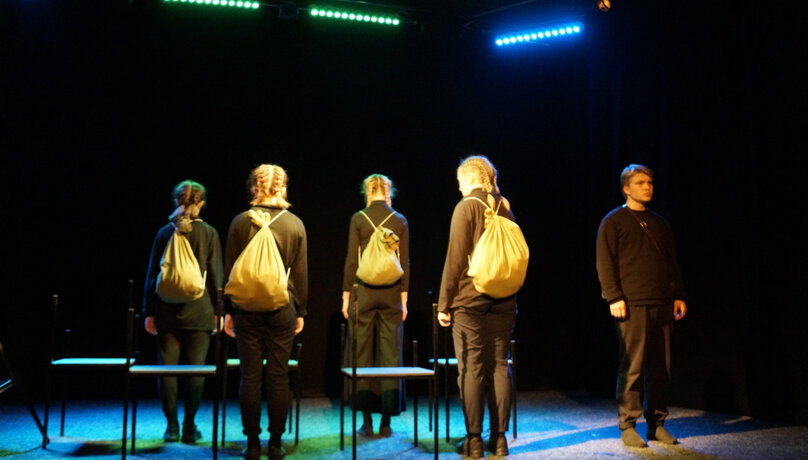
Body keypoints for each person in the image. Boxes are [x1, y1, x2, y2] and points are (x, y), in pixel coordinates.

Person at [595, 164, 687, 448]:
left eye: (650, 182)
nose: (647, 187)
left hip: (661, 302)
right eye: (640, 183)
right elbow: (605, 261)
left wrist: (678, 295)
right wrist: (614, 297)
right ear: (626, 188)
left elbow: (671, 262)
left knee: (661, 367)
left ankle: (657, 424)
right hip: (631, 303)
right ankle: (628, 424)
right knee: (633, 366)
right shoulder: (613, 221)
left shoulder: (660, 223)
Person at [223, 164, 307, 460]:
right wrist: (301, 310)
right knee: (278, 377)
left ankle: (252, 443)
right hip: (283, 308)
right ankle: (275, 443)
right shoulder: (294, 224)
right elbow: (300, 273)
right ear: (283, 187)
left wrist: (227, 310)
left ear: (255, 187)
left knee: (250, 377)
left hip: (245, 309)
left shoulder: (239, 222)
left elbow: (230, 270)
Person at [438, 155, 517, 458]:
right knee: (499, 365)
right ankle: (499, 439)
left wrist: (444, 303)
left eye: (460, 181)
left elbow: (455, 258)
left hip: (469, 299)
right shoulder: (505, 206)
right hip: (504, 297)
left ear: (470, 177)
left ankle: (473, 441)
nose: (459, 188)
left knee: (471, 367)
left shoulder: (466, 206)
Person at [142, 180, 223, 443]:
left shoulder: (164, 233)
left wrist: (148, 311)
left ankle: (172, 427)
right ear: (201, 204)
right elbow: (216, 277)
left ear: (176, 202)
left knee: (167, 370)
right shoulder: (209, 233)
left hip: (165, 311)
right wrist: (219, 311)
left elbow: (152, 274)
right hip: (200, 311)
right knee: (196, 370)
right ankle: (190, 426)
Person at [341, 174, 410, 438]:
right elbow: (405, 262)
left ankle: (366, 419)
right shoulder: (400, 220)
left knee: (361, 354)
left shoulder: (358, 218)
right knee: (390, 354)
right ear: (389, 192)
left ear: (367, 192)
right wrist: (404, 298)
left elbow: (351, 260)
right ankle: (386, 421)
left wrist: (346, 296)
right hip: (392, 293)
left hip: (363, 293)